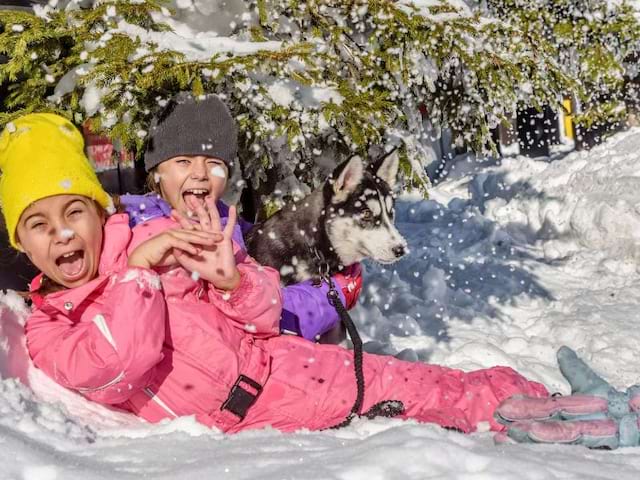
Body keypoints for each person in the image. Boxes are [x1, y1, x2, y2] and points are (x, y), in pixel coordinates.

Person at [0, 112, 549, 434]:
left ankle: (536, 405)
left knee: (409, 384)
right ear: (20, 242)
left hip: (281, 364)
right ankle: (526, 413)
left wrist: (234, 282)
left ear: (100, 213)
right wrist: (137, 274)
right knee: (406, 399)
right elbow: (118, 364)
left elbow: (265, 313)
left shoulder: (163, 241)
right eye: (39, 224)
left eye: (75, 213)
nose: (64, 234)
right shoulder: (50, 327)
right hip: (255, 409)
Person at [119, 93, 361, 343]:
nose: (200, 173)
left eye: (214, 162)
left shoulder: (225, 221)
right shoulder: (149, 232)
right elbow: (275, 316)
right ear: (156, 171)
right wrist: (336, 291)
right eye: (183, 161)